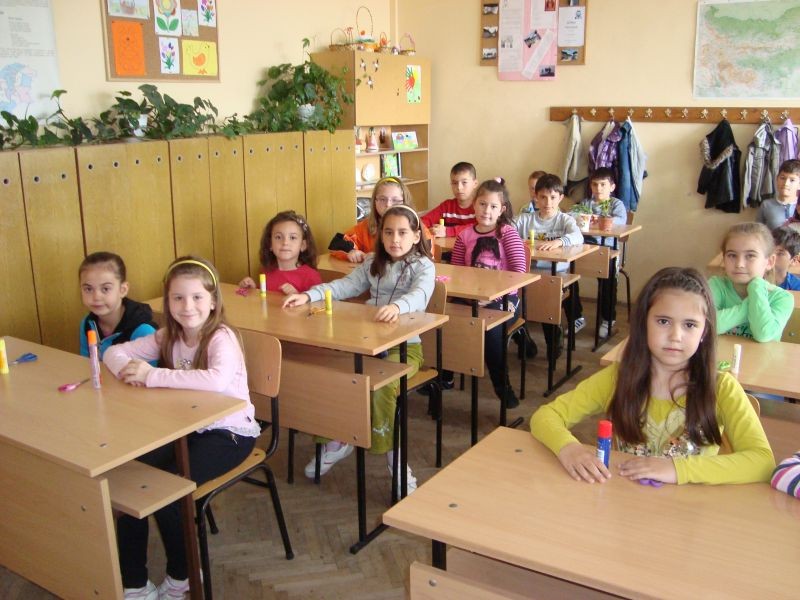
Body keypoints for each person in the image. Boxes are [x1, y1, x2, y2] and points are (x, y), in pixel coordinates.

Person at [104, 257, 261, 600]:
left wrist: (151, 375)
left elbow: (216, 380)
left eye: (197, 297)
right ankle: (134, 584)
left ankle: (184, 575)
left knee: (169, 496)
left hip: (230, 434)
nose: (187, 306)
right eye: (177, 298)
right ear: (167, 301)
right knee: (132, 480)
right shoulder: (168, 335)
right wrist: (129, 371)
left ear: (213, 301)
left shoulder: (221, 337)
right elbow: (114, 353)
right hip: (186, 429)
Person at [531, 267, 775, 485]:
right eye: (663, 321)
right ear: (643, 323)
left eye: (690, 325)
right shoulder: (618, 378)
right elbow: (546, 416)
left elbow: (762, 462)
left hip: (689, 511)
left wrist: (677, 469)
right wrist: (569, 448)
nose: (675, 336)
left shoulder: (721, 388)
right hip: (624, 502)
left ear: (704, 332)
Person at [284, 205, 434, 493]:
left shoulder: (423, 266)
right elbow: (346, 286)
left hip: (405, 348)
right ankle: (338, 440)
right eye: (388, 232)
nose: (395, 239)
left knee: (381, 387)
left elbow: (420, 294)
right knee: (333, 375)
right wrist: (310, 295)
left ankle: (395, 459)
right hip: (366, 344)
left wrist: (397, 307)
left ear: (416, 236)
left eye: (403, 233)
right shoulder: (373, 262)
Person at [450, 178, 527, 408]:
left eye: (493, 206)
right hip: (471, 298)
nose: (487, 211)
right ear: (474, 204)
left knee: (491, 330)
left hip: (505, 299)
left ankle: (502, 385)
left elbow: (519, 273)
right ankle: (445, 375)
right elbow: (456, 273)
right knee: (445, 320)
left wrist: (494, 296)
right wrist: (468, 296)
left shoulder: (507, 233)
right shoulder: (464, 236)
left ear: (501, 209)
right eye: (482, 204)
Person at [514, 173, 584, 357]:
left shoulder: (564, 220)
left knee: (546, 301)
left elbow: (578, 236)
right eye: (543, 197)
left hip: (555, 275)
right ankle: (525, 342)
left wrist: (559, 242)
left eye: (553, 197)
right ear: (535, 197)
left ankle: (553, 341)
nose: (548, 202)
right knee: (511, 302)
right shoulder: (524, 219)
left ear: (560, 198)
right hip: (528, 273)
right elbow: (505, 231)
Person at [569, 167, 628, 337]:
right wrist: (580, 217)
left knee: (607, 283)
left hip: (608, 250)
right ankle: (576, 317)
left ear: (612, 187)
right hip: (585, 248)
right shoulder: (587, 203)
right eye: (595, 184)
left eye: (603, 184)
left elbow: (621, 221)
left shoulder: (616, 204)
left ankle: (608, 319)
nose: (598, 188)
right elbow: (571, 214)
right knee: (567, 277)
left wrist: (601, 220)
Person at [709, 222, 793, 342]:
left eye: (750, 256)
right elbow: (707, 326)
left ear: (769, 262)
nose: (739, 264)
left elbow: (763, 334)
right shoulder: (716, 285)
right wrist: (748, 306)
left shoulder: (782, 298)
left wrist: (756, 287)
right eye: (732, 255)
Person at [78, 251, 157, 358]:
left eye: (105, 289)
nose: (96, 297)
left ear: (123, 290)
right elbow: (86, 362)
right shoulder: (87, 323)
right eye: (88, 289)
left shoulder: (143, 331)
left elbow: (149, 369)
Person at [331, 177, 426, 262]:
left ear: (405, 202)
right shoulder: (365, 226)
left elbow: (426, 254)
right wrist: (351, 251)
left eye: (395, 200)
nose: (388, 205)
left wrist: (380, 258)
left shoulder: (415, 226)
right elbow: (338, 243)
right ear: (375, 202)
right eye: (382, 199)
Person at [238, 210, 321, 294]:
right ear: (270, 244)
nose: (285, 242)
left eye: (292, 238)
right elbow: (264, 297)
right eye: (278, 237)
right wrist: (253, 290)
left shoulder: (311, 276)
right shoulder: (267, 271)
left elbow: (319, 301)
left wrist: (297, 295)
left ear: (303, 245)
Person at [421, 162, 479, 238]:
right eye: (454, 183)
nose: (459, 187)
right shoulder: (447, 206)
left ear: (475, 183)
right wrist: (430, 230)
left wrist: (448, 231)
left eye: (464, 182)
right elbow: (424, 221)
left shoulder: (480, 207)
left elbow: (480, 227)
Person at [756, 159, 800, 230]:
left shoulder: (798, 206)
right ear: (777, 179)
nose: (786, 183)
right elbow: (758, 232)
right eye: (782, 178)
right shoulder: (766, 205)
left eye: (792, 180)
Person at [772, 225, 800, 290]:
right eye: (770, 250)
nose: (772, 256)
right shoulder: (755, 280)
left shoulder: (797, 287)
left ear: (793, 260)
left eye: (779, 253)